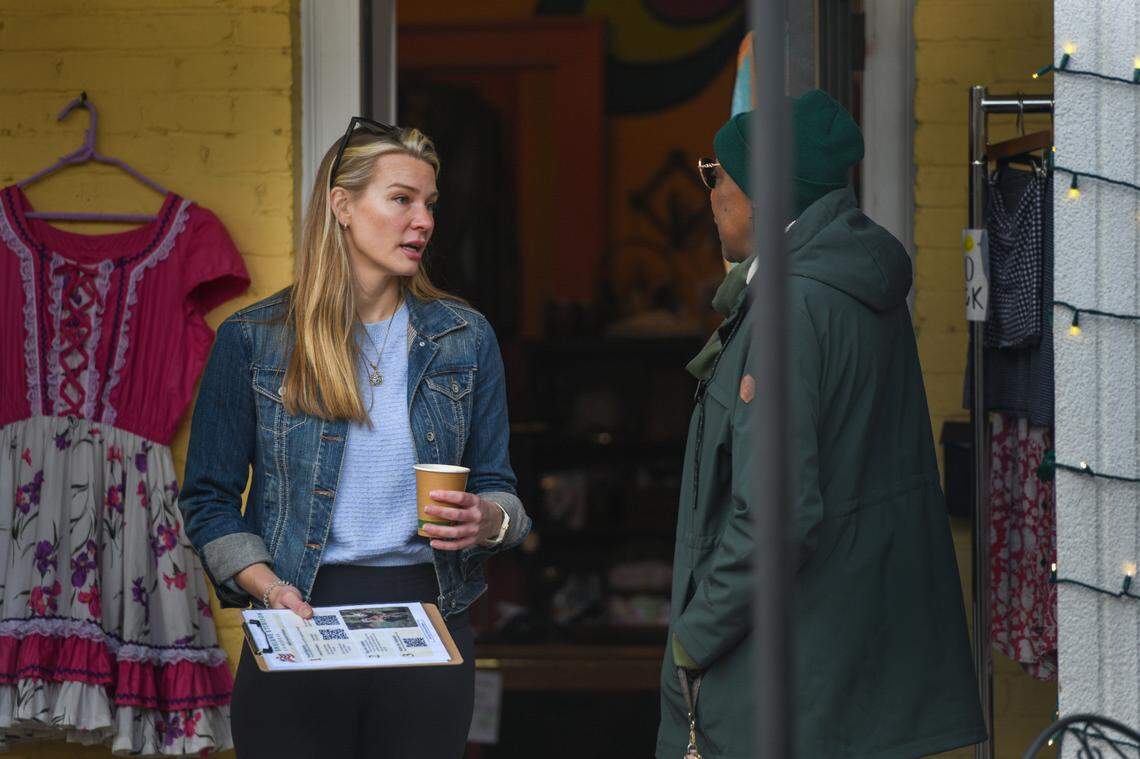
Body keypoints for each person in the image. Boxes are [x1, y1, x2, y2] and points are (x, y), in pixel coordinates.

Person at [179, 119, 530, 759]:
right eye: (401, 199)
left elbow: (500, 491)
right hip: (298, 616)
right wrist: (266, 586)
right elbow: (207, 499)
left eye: (430, 204)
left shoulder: (464, 338)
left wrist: (486, 521)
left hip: (429, 619)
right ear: (342, 206)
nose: (422, 220)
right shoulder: (254, 340)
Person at [657, 91, 986, 758]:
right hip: (841, 671)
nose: (711, 192)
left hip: (782, 679)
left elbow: (775, 515)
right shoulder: (844, 284)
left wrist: (694, 636)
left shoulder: (793, 305)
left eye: (716, 173)